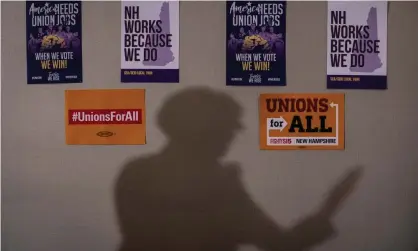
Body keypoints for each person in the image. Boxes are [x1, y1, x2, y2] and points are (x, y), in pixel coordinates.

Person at [115, 87, 363, 251]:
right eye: (227, 127)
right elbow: (279, 244)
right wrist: (330, 206)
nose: (231, 136)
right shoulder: (218, 184)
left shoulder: (136, 172)